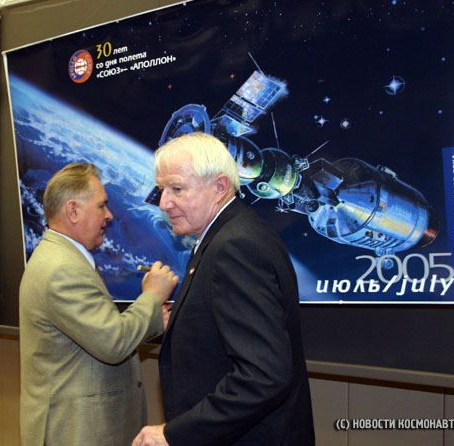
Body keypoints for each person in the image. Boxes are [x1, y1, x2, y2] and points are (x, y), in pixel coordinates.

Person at [133, 132, 315, 446]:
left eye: (177, 189)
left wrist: (174, 435)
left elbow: (263, 375)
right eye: (163, 189)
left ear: (219, 187)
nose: (164, 203)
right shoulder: (226, 235)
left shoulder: (235, 246)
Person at [19, 162, 178, 446]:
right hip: (75, 430)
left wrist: (150, 318)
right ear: (73, 211)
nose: (109, 215)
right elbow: (113, 343)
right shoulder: (62, 268)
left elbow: (98, 331)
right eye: (102, 206)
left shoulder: (62, 258)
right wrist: (152, 296)